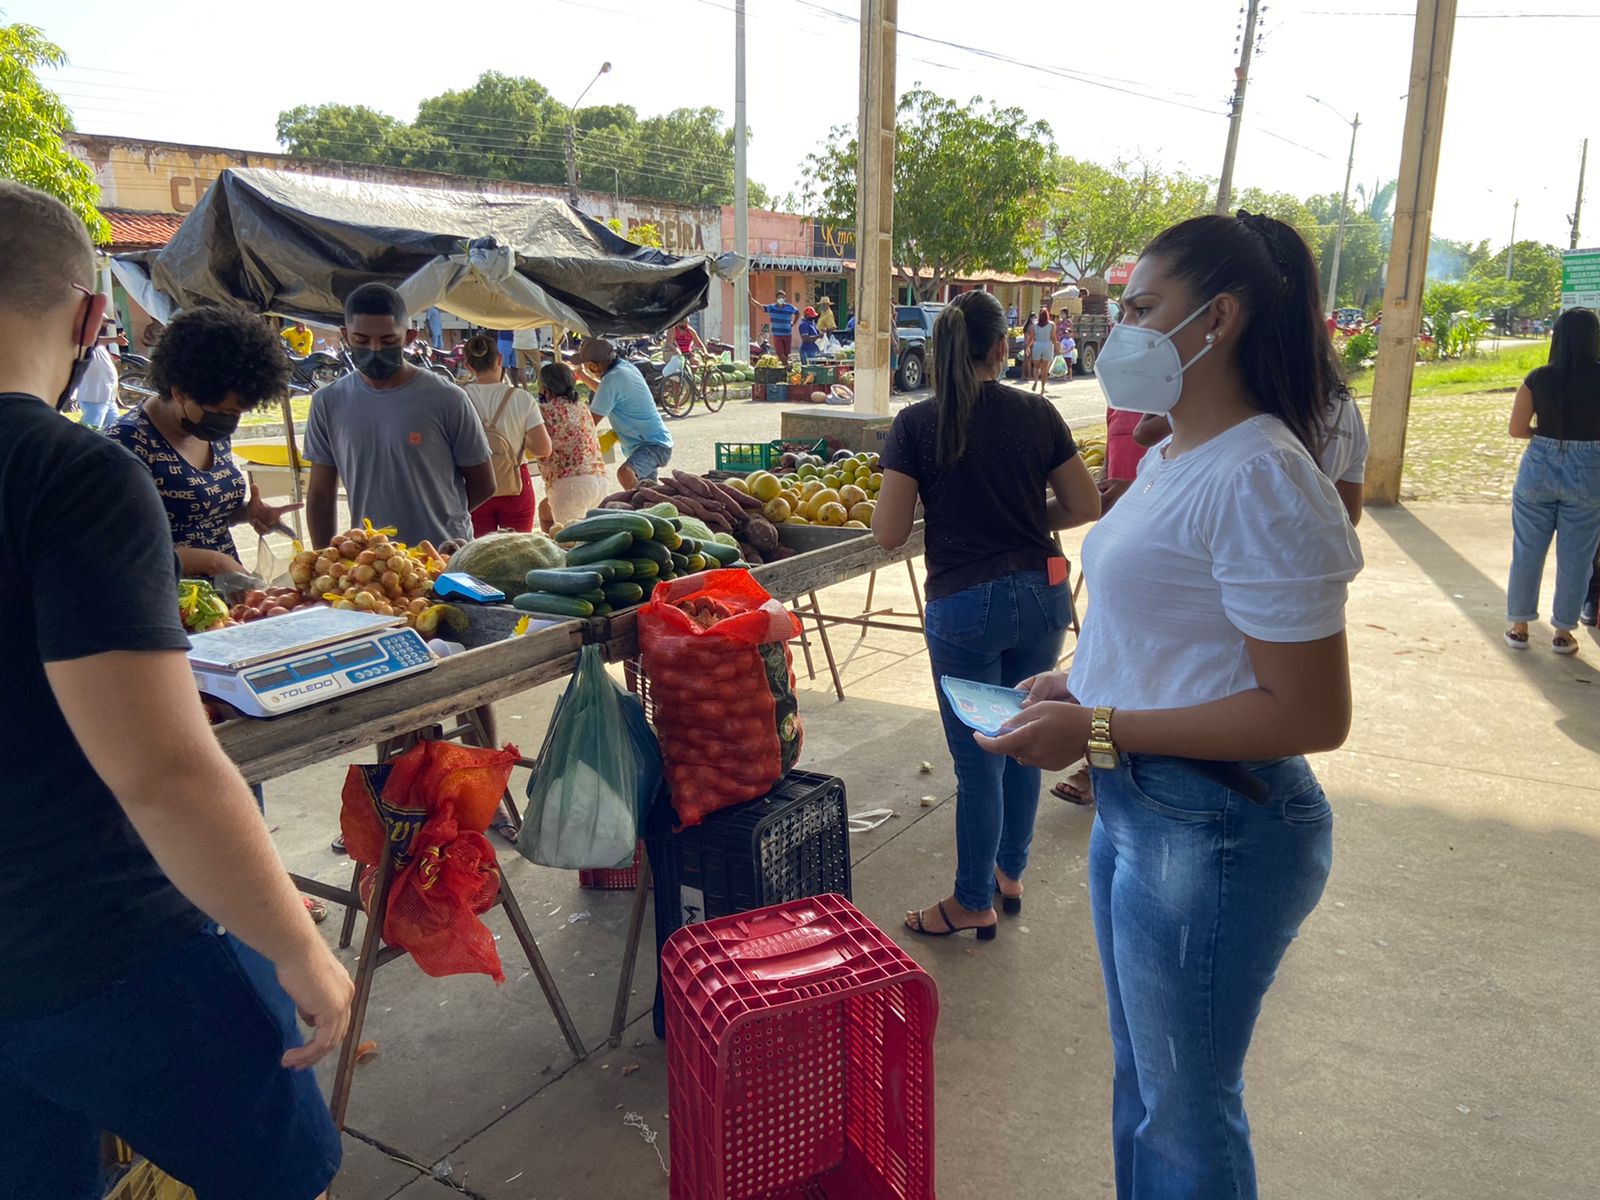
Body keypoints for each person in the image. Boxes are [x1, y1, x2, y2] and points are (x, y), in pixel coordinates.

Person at [980, 211, 1362, 1200]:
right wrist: (1084, 681)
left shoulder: (1263, 475)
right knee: (1145, 1086)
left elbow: (1309, 714)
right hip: (1140, 808)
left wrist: (1098, 727)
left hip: (1218, 827)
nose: (1122, 333)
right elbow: (1175, 630)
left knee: (1186, 1113)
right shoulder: (1171, 455)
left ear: (1217, 318)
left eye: (1144, 309)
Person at [0, 179, 350, 1200]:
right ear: (91, 319)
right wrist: (294, 943)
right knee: (285, 1175)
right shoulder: (70, 472)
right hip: (97, 944)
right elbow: (161, 770)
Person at [871, 290, 1100, 939]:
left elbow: (888, 532)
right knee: (1027, 741)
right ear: (1002, 347)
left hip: (965, 606)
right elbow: (1086, 505)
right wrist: (1025, 519)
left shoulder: (916, 424)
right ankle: (1008, 873)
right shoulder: (1038, 412)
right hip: (1042, 594)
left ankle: (972, 900)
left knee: (979, 762)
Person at [109, 309, 302, 579]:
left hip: (224, 593)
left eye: (238, 413)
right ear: (180, 392)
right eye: (224, 412)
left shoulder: (212, 430)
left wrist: (247, 513)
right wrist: (212, 561)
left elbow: (199, 514)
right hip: (169, 596)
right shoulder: (126, 444)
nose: (230, 422)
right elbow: (121, 549)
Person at [305, 282, 495, 550]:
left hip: (444, 557)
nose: (374, 350)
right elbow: (320, 495)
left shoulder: (448, 398)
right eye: (362, 340)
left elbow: (484, 483)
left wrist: (442, 516)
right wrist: (322, 560)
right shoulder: (327, 403)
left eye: (388, 341)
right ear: (345, 336)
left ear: (409, 337)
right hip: (373, 564)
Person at [1505, 306, 1600, 654]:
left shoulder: (1537, 378)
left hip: (1539, 468)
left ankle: (1519, 627)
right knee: (1577, 557)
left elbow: (1517, 430)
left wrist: (1543, 436)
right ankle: (1562, 633)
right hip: (1590, 471)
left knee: (1527, 552)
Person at [458, 332, 552, 535]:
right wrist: (521, 439)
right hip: (515, 484)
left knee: (480, 551)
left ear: (468, 366)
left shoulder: (458, 398)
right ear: (499, 359)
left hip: (474, 487)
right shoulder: (522, 398)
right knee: (519, 549)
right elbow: (544, 449)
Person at [571, 336, 673, 489]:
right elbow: (605, 392)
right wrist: (582, 375)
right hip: (653, 442)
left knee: (625, 474)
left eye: (586, 366)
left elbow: (589, 424)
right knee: (649, 492)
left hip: (651, 444)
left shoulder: (611, 380)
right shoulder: (625, 368)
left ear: (593, 366)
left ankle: (637, 504)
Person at [535, 361, 612, 530]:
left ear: (546, 389)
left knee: (570, 541)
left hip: (570, 486)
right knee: (545, 511)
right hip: (599, 481)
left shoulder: (543, 411)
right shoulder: (582, 407)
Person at [75, 315, 121, 432]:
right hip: (94, 398)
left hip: (107, 397)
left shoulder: (100, 347)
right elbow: (94, 341)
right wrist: (115, 340)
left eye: (107, 323)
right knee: (89, 432)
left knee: (114, 432)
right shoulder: (83, 341)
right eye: (103, 323)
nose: (106, 326)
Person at [761, 290, 800, 363]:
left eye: (782, 297)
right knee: (780, 354)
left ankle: (786, 367)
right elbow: (761, 307)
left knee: (787, 354)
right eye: (779, 297)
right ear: (776, 298)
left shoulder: (790, 307)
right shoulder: (772, 308)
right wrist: (751, 299)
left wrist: (794, 323)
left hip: (787, 334)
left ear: (785, 298)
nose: (781, 299)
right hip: (777, 334)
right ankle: (787, 366)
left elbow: (797, 313)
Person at [1031, 306, 1056, 395]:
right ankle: (1042, 388)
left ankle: (1035, 381)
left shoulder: (1034, 325)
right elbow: (1053, 338)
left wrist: (1028, 347)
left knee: (1036, 367)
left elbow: (1032, 338)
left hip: (1037, 345)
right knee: (1044, 369)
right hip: (1047, 345)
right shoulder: (1051, 325)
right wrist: (1057, 348)